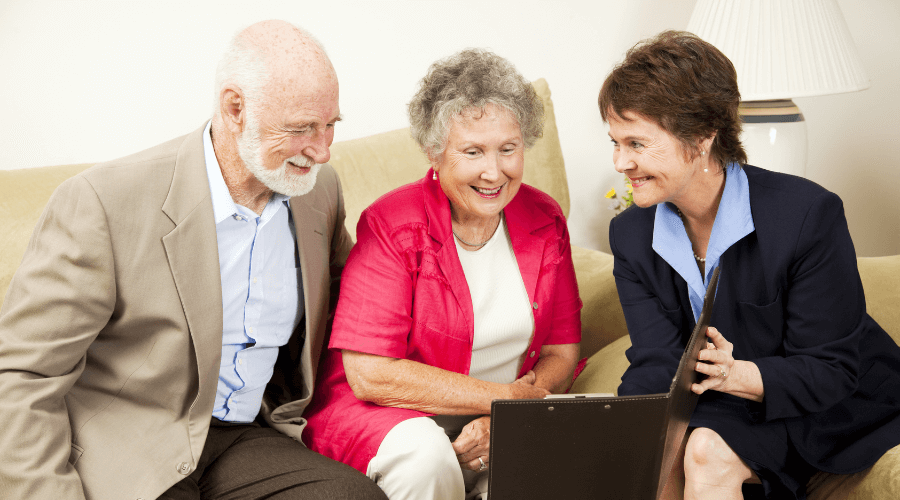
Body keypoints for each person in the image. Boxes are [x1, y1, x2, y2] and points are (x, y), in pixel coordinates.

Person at [0, 20, 387, 500]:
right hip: (132, 448)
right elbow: (22, 375)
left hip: (246, 436)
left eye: (331, 125)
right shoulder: (102, 203)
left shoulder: (315, 189)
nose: (323, 150)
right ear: (235, 108)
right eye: (302, 129)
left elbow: (360, 309)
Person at [600, 30, 900, 500]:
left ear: (700, 136)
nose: (620, 161)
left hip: (833, 403)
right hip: (726, 402)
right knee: (654, 454)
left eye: (636, 143)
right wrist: (616, 430)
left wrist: (735, 375)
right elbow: (656, 360)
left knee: (704, 451)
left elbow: (832, 370)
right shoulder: (631, 235)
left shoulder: (806, 214)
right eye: (615, 142)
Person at [302, 48, 582, 500]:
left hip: (503, 414)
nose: (494, 172)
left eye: (508, 149)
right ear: (435, 152)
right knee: (425, 455)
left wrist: (509, 419)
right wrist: (503, 399)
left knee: (553, 460)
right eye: (473, 151)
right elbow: (370, 374)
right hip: (395, 415)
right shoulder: (392, 224)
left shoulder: (544, 219)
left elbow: (562, 351)